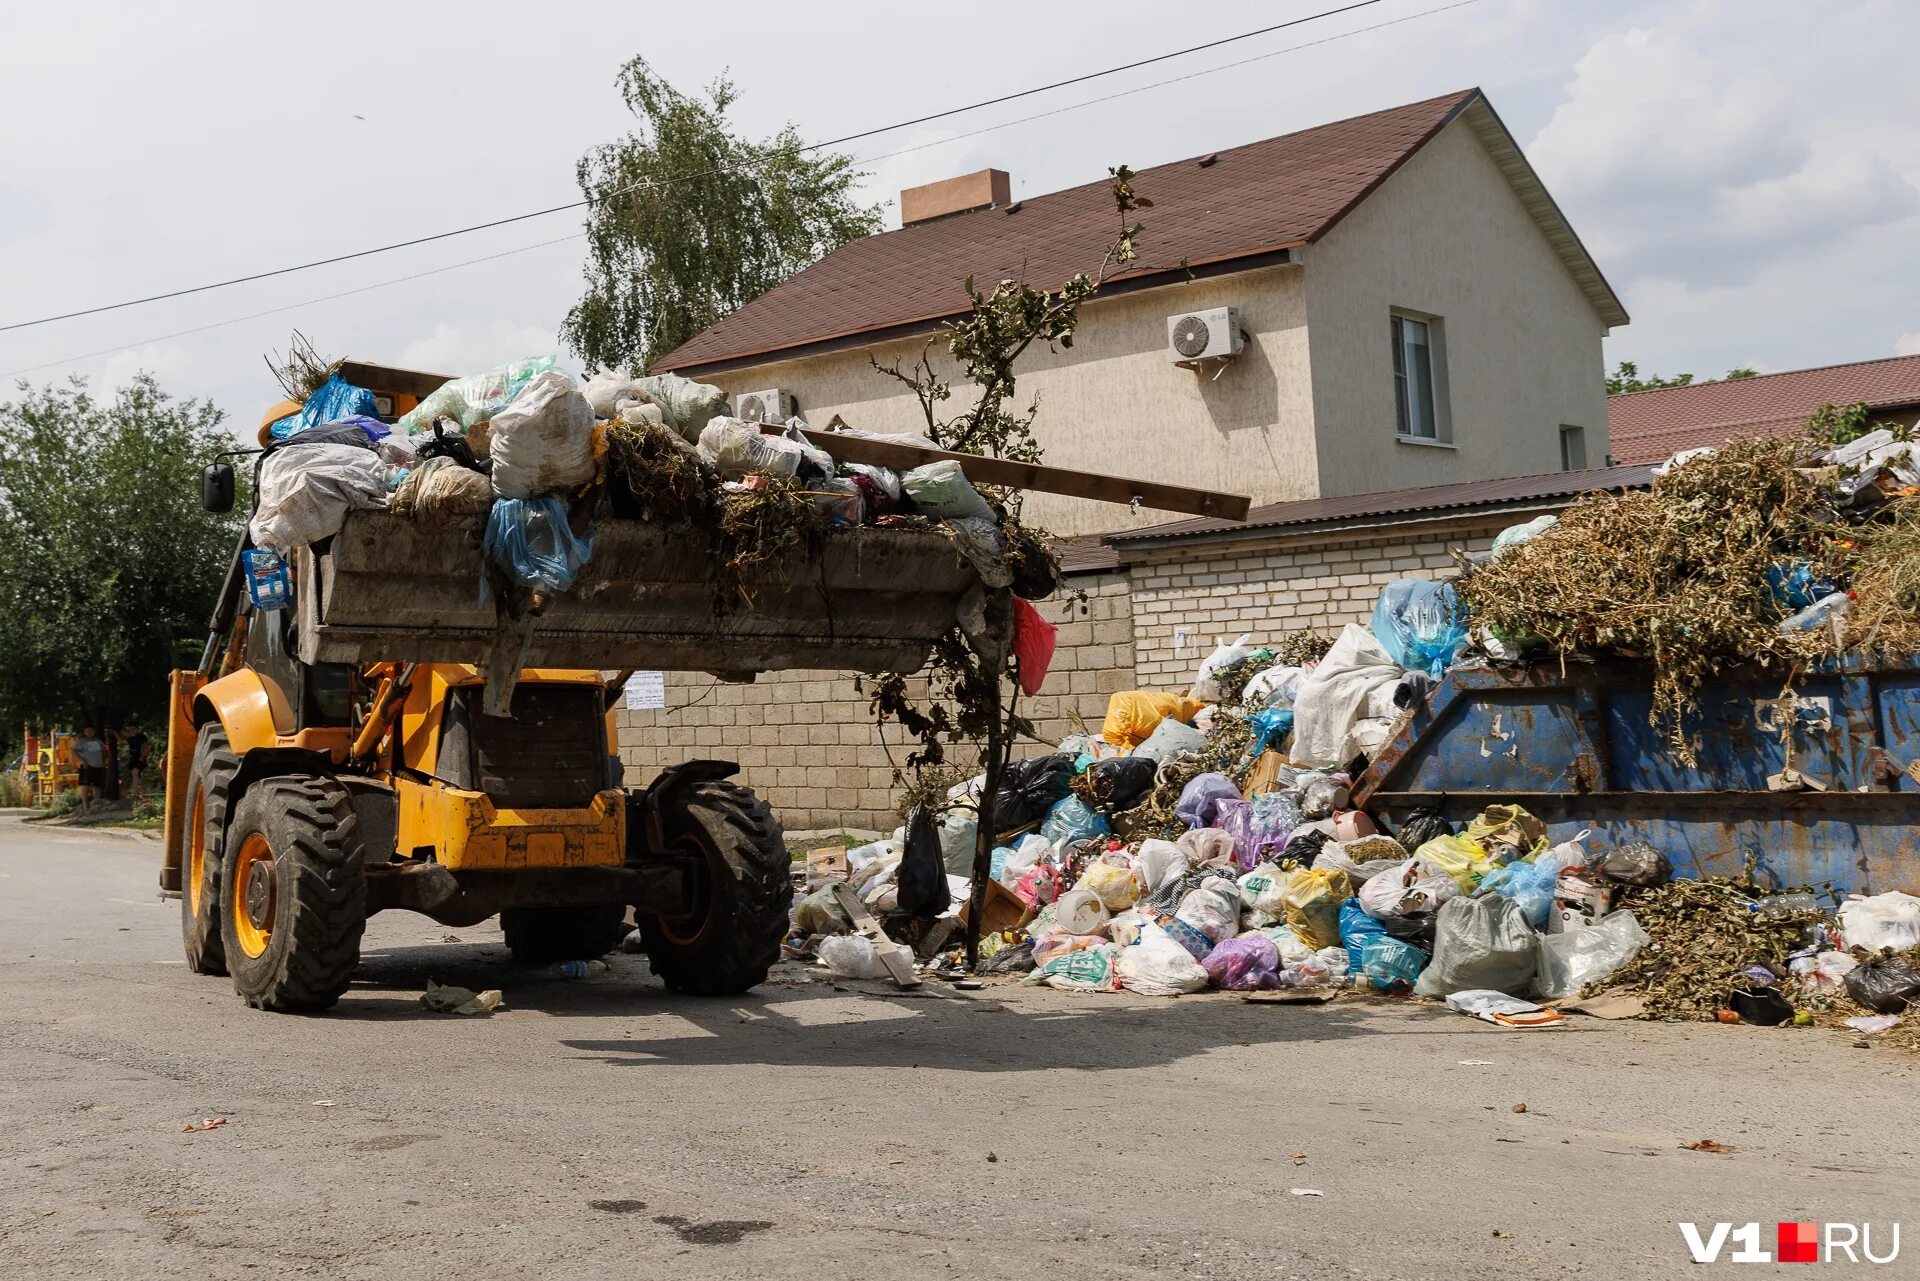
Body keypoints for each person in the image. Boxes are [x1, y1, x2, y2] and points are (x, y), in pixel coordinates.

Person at [73, 725, 105, 802]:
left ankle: (97, 802)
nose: (89, 733)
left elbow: (103, 751)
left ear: (94, 732)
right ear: (85, 732)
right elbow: (74, 751)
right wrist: (81, 760)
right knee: (85, 785)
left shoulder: (98, 741)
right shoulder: (82, 741)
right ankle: (85, 804)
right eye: (87, 731)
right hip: (87, 766)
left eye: (91, 731)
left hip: (98, 765)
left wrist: (103, 761)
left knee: (97, 785)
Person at [124, 722, 151, 803]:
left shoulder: (141, 737)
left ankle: (137, 794)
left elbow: (146, 747)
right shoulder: (130, 739)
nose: (131, 731)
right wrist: (115, 733)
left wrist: (143, 756)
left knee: (135, 772)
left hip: (141, 759)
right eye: (130, 729)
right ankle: (141, 794)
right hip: (133, 759)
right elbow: (122, 741)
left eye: (133, 729)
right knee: (136, 776)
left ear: (137, 729)